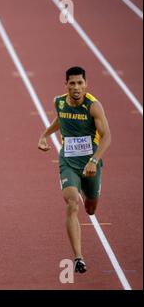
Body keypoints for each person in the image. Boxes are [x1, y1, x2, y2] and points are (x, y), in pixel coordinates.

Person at [38, 66, 111, 273]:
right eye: (72, 83)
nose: (76, 87)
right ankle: (79, 257)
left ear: (85, 84)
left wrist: (94, 161)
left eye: (80, 83)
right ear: (66, 85)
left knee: (90, 208)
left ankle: (90, 192)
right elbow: (60, 119)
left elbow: (107, 137)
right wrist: (44, 135)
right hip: (68, 162)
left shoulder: (93, 106)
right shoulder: (59, 102)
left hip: (90, 163)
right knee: (71, 202)